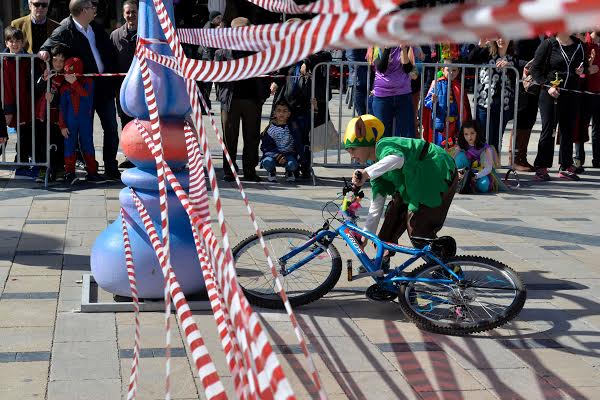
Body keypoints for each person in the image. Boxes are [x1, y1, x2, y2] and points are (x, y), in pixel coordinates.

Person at [345, 114, 458, 253]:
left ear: (366, 143)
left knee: (418, 229)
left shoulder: (383, 145)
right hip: (416, 181)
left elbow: (397, 159)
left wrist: (366, 173)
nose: (351, 155)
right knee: (391, 220)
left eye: (353, 149)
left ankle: (446, 266)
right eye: (348, 151)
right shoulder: (376, 170)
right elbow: (376, 206)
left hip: (435, 169)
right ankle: (382, 263)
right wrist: (365, 237)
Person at [39, 0, 120, 180]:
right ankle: (87, 168)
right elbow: (46, 45)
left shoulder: (96, 28)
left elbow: (109, 54)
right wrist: (44, 52)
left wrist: (113, 81)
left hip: (103, 87)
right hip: (82, 91)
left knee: (111, 128)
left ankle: (111, 166)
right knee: (85, 132)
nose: (95, 10)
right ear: (83, 10)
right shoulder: (64, 29)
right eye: (92, 8)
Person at [215, 17, 270, 182]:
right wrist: (221, 95)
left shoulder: (259, 51)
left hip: (252, 99)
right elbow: (216, 75)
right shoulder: (222, 52)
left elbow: (267, 73)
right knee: (229, 138)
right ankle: (229, 170)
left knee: (252, 137)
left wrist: (263, 95)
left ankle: (249, 170)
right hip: (230, 100)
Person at [529, 32, 588, 181]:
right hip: (550, 92)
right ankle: (541, 166)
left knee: (568, 129)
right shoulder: (548, 44)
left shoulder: (579, 45)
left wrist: (582, 71)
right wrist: (548, 86)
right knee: (549, 129)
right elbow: (535, 70)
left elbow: (584, 67)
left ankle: (566, 166)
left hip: (571, 93)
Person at [468, 37, 517, 154]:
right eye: (498, 37)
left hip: (504, 104)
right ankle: (483, 165)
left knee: (497, 136)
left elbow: (519, 71)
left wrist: (510, 65)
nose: (501, 40)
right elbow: (471, 59)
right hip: (484, 102)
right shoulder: (487, 52)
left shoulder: (513, 57)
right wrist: (480, 46)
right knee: (485, 136)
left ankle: (493, 165)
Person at [59, 57, 103, 185]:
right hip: (70, 122)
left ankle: (92, 172)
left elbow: (87, 97)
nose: (68, 75)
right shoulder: (64, 87)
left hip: (85, 121)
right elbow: (62, 108)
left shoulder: (89, 82)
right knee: (69, 145)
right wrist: (62, 125)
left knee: (87, 144)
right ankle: (69, 172)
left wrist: (75, 84)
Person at [34, 44, 68, 182]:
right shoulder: (47, 72)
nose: (58, 63)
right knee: (42, 143)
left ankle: (59, 169)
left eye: (61, 60)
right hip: (43, 115)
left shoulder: (65, 76)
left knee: (58, 143)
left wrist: (54, 100)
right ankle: (43, 169)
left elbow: (65, 98)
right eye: (55, 60)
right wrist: (43, 80)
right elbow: (36, 89)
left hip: (57, 118)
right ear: (50, 60)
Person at [3, 27, 35, 169]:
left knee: (24, 134)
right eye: (11, 41)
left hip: (24, 102)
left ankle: (21, 161)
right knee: (2, 133)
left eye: (17, 41)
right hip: (5, 102)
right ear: (6, 43)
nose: (14, 44)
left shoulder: (28, 59)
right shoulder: (2, 59)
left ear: (23, 43)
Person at [368, 46, 416, 138]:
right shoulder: (377, 46)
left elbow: (408, 69)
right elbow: (381, 68)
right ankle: (385, 152)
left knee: (407, 134)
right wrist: (387, 49)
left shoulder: (407, 45)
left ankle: (405, 152)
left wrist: (403, 50)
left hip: (403, 94)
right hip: (382, 96)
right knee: (382, 134)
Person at [423, 60, 472, 146]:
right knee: (439, 147)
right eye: (448, 70)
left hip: (455, 126)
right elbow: (427, 102)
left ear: (458, 71)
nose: (451, 73)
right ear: (442, 70)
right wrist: (432, 100)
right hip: (441, 125)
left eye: (454, 70)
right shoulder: (436, 83)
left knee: (453, 149)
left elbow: (465, 106)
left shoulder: (459, 86)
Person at [511, 37, 543, 171]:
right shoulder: (520, 35)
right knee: (522, 118)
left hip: (534, 83)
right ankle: (516, 158)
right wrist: (532, 64)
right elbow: (514, 59)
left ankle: (522, 157)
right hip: (521, 82)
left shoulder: (537, 35)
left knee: (530, 119)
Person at [452, 120, 502, 193]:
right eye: (466, 134)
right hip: (464, 172)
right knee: (460, 156)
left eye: (472, 133)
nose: (469, 137)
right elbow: (453, 162)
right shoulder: (461, 146)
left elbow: (488, 168)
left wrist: (476, 176)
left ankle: (469, 184)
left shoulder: (486, 148)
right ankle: (462, 180)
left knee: (484, 186)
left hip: (480, 173)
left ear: (477, 133)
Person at [574, 31, 600, 169]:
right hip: (585, 91)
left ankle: (598, 159)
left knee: (598, 127)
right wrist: (588, 69)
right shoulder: (583, 43)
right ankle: (578, 158)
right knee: (581, 125)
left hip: (598, 91)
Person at [260, 100, 301, 183]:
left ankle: (289, 171)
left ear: (289, 114)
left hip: (288, 155)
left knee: (292, 165)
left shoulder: (293, 127)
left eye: (285, 111)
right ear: (274, 113)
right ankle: (272, 171)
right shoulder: (270, 129)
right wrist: (277, 156)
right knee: (267, 162)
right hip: (273, 155)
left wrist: (314, 110)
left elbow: (307, 124)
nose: (281, 113)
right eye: (279, 111)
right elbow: (265, 147)